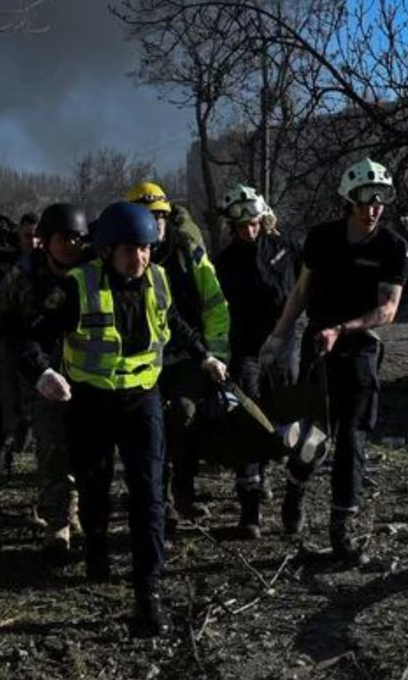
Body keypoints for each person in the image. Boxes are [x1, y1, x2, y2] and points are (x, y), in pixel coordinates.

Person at [60, 201, 228, 637]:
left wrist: (205, 356)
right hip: (91, 405)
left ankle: (147, 594)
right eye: (131, 250)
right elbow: (39, 333)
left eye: (147, 248)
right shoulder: (78, 286)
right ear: (107, 251)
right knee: (94, 487)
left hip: (142, 403)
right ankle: (96, 548)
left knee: (149, 495)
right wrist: (43, 371)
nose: (141, 258)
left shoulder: (158, 279)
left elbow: (174, 322)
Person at [262, 158, 408, 565]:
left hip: (360, 346)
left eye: (380, 200)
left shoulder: (393, 247)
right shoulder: (322, 239)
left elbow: (388, 309)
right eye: (365, 199)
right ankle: (296, 485)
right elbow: (301, 291)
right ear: (349, 199)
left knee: (352, 439)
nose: (373, 208)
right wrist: (278, 335)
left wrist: (343, 329)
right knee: (315, 434)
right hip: (319, 345)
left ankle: (342, 531)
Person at [0, 203, 92, 558]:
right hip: (42, 368)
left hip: (90, 370)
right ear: (47, 241)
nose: (71, 245)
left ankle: (79, 514)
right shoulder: (26, 273)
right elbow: (0, 311)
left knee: (86, 448)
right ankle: (58, 521)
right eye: (64, 239)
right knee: (52, 445)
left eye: (76, 238)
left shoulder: (93, 271)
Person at [125, 181, 231, 521]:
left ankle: (182, 494)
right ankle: (159, 498)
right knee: (150, 428)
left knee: (184, 417)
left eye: (160, 216)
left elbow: (213, 301)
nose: (155, 223)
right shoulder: (124, 254)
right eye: (147, 216)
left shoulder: (186, 250)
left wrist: (213, 354)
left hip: (186, 353)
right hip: (140, 359)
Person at [213, 184, 300, 538]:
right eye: (242, 226)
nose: (249, 230)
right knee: (245, 418)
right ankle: (249, 510)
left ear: (264, 219)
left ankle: (292, 493)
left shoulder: (286, 248)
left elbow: (310, 284)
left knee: (289, 419)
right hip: (244, 352)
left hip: (285, 347)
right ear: (232, 227)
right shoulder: (224, 263)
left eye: (254, 223)